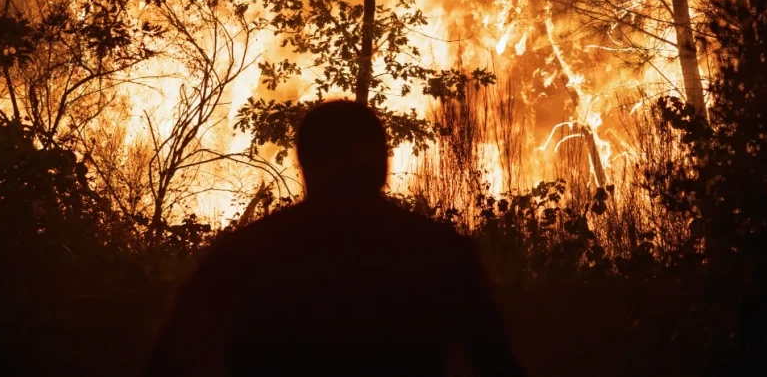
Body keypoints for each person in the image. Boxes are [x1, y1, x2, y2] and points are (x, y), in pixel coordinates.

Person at [143, 99, 525, 376]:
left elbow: (174, 357)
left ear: (305, 165)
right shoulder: (440, 252)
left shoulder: (248, 254)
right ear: (383, 165)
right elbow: (495, 360)